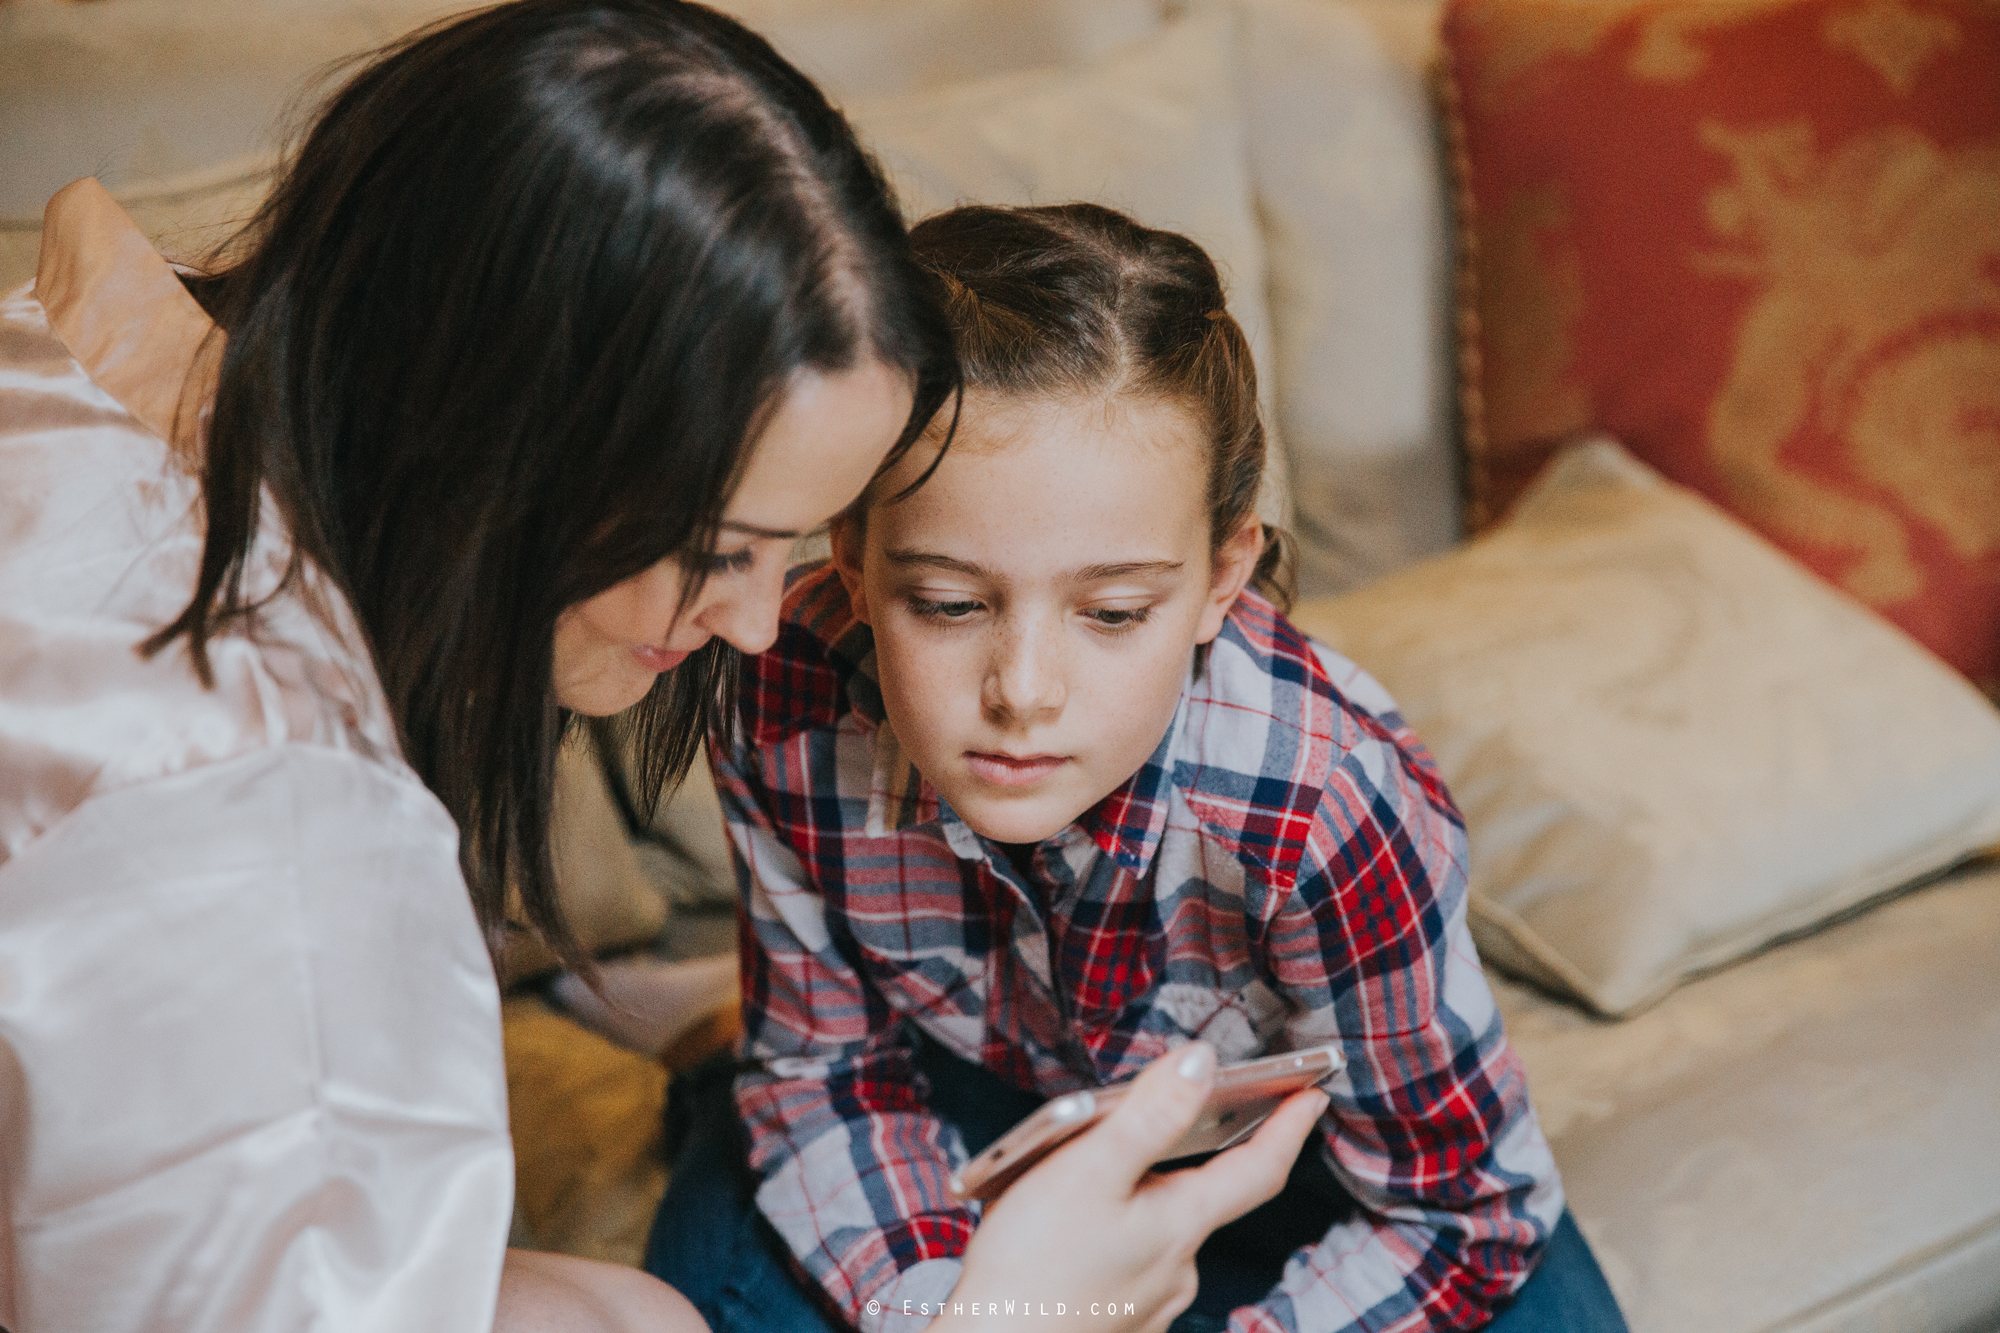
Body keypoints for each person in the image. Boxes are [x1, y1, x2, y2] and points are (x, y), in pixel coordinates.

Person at [0, 5, 1319, 1331]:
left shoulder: (84, 360)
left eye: (788, 546)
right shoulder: (259, 816)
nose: (757, 625)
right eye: (718, 546)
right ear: (503, 435)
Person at [631, 204, 1629, 1333]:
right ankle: (705, 1054)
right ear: (852, 563)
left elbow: (1460, 1211)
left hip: (1286, 1151)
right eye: (949, 604)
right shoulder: (780, 686)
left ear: (1220, 579)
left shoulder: (1321, 799)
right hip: (954, 1092)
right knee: (714, 1283)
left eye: (1110, 611)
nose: (1022, 689)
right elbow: (825, 1078)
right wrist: (974, 1316)